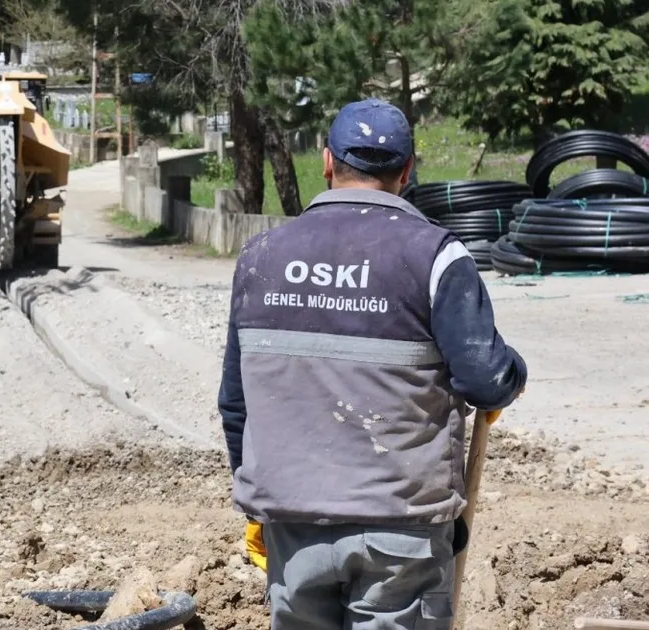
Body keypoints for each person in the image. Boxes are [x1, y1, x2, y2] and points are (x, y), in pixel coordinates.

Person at [217, 98, 527, 630]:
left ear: (326, 161)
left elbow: (236, 402)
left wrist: (256, 504)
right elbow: (487, 378)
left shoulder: (260, 257)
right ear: (406, 172)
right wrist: (509, 377)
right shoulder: (435, 257)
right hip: (399, 526)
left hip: (293, 522)